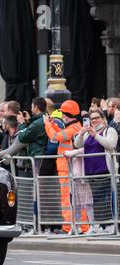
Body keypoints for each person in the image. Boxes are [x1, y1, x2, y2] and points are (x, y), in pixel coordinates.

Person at [74, 110, 118, 234]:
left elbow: (111, 144)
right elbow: (77, 145)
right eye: (91, 118)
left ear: (103, 119)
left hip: (104, 170)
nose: (93, 121)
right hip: (90, 171)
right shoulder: (88, 133)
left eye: (96, 118)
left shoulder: (109, 130)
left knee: (104, 199)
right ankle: (98, 225)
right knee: (95, 200)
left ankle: (108, 225)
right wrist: (81, 133)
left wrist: (96, 135)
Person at [44, 100, 83, 234]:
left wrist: (47, 124)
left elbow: (55, 136)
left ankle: (70, 228)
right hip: (66, 169)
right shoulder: (74, 127)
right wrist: (53, 123)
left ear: (67, 114)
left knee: (68, 199)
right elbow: (60, 134)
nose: (62, 117)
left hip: (68, 169)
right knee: (71, 199)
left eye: (63, 114)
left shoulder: (74, 128)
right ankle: (79, 227)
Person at [17, 97, 49, 176]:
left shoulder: (37, 123)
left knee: (38, 183)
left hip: (38, 156)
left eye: (32, 107)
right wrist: (29, 121)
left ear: (36, 107)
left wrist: (22, 123)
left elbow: (22, 137)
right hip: (43, 155)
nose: (31, 110)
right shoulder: (46, 118)